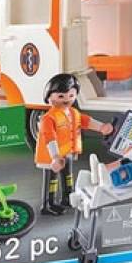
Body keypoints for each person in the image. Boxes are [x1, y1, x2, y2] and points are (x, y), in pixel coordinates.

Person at [35, 73, 114, 215]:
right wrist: (55, 156)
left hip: (68, 153)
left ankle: (67, 198)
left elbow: (86, 121)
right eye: (61, 96)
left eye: (71, 95)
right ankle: (48, 204)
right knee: (52, 180)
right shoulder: (49, 118)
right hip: (52, 156)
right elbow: (49, 137)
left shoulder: (73, 113)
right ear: (49, 97)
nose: (67, 99)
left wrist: (101, 127)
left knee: (68, 177)